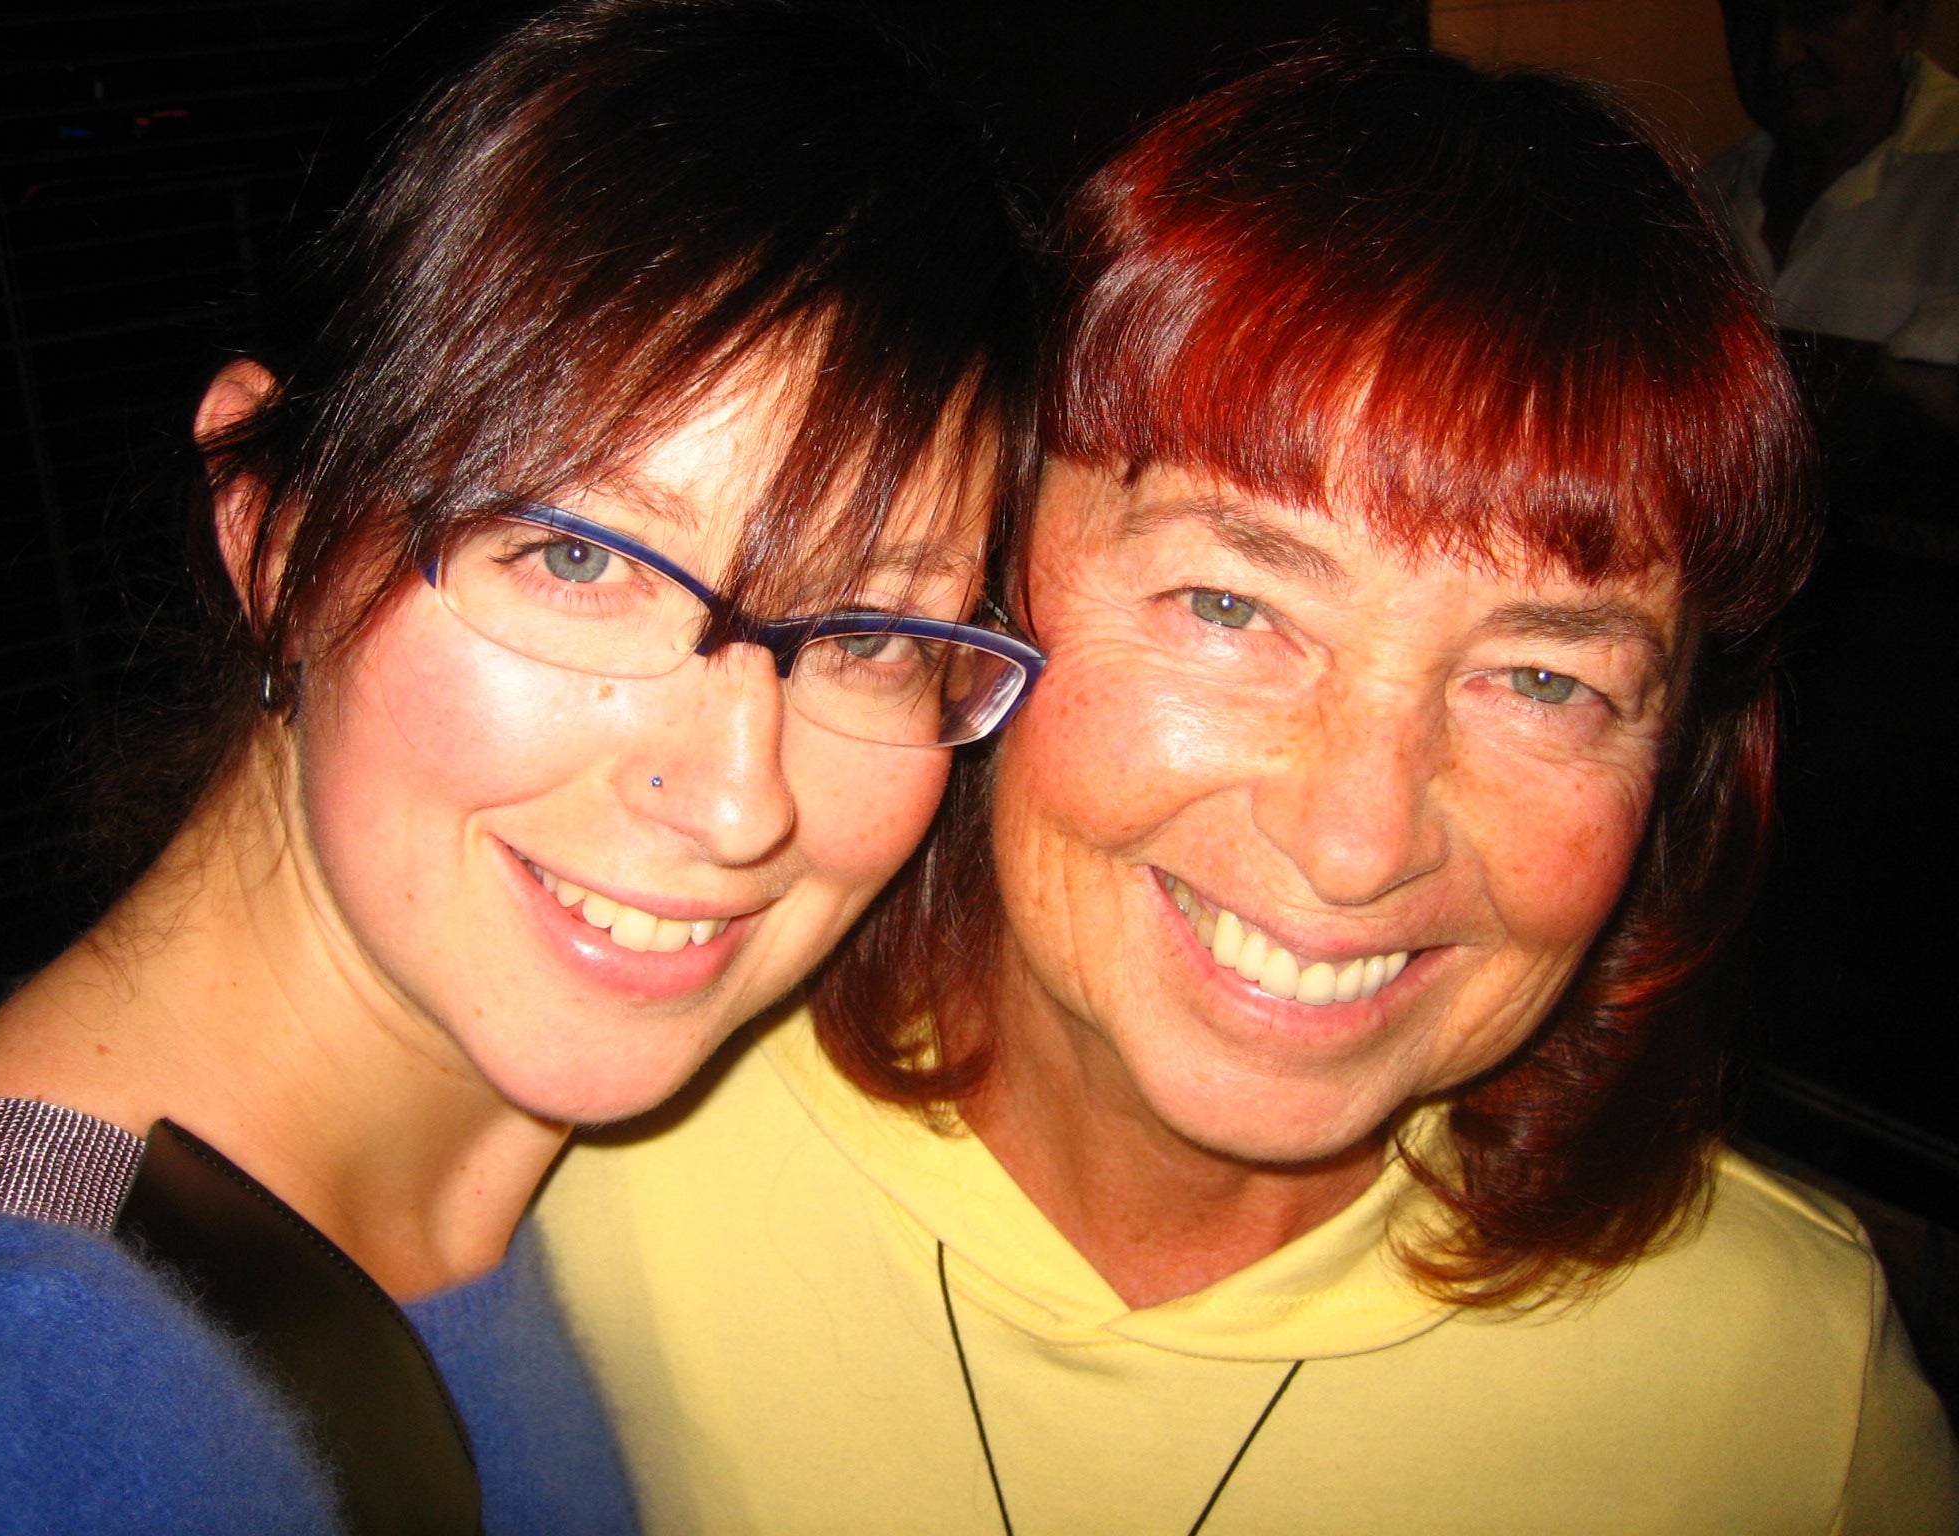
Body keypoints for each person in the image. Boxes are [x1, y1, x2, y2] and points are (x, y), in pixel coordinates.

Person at [537, 45, 1959, 1534]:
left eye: (1544, 680)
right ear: (976, 595)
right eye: (1229, 607)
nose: (1354, 844)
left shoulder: (1785, 1393)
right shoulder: (585, 1136)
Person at [0, 2, 1037, 1532]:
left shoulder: (543, 1187)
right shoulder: (27, 1405)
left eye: (872, 633)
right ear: (279, 532)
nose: (737, 798)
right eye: (580, 555)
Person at [1712, 0, 1959, 361]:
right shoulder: (1700, 199)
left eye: (1819, 12)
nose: (1782, 53)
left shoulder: (1946, 176)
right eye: (1749, 18)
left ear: (1902, 19)